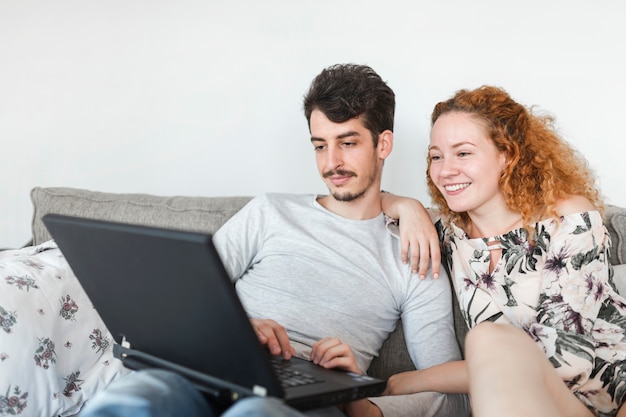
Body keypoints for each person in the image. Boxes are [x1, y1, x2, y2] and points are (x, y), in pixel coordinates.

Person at [78, 64, 470, 417]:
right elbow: (178, 300)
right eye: (320, 145)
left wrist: (362, 404)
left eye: (347, 143)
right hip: (213, 369)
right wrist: (238, 326)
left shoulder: (416, 253)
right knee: (139, 396)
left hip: (305, 401)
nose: (330, 162)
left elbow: (451, 398)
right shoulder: (268, 213)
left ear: (382, 144)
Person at [382, 85, 626, 417]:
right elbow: (368, 208)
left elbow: (566, 364)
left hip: (604, 404)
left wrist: (417, 380)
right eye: (436, 156)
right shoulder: (450, 235)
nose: (445, 170)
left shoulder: (567, 219)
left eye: (463, 153)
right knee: (488, 339)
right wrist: (404, 204)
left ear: (506, 155)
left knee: (487, 339)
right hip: (526, 405)